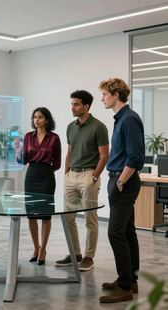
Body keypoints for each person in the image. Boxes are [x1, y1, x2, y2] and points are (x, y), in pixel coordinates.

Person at [98, 78, 145, 303]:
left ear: (116, 95)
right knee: (127, 232)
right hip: (119, 180)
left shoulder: (128, 119)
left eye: (105, 94)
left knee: (115, 232)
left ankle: (125, 287)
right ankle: (130, 280)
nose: (102, 98)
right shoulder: (121, 119)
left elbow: (136, 156)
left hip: (123, 182)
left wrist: (120, 182)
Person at [55, 90, 109, 271]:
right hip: (72, 176)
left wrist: (94, 176)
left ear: (86, 106)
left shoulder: (98, 127)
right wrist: (66, 174)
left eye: (76, 104)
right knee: (67, 218)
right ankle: (75, 253)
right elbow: (69, 153)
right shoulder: (71, 126)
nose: (72, 107)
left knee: (90, 220)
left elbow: (104, 155)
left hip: (88, 175)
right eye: (72, 104)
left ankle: (89, 257)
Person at [14, 107, 61, 265]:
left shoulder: (54, 138)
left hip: (47, 177)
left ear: (47, 119)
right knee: (31, 214)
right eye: (35, 117)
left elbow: (58, 163)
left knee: (46, 214)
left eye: (40, 117)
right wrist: (18, 151)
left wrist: (46, 171)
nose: (36, 120)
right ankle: (36, 247)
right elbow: (23, 161)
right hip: (31, 175)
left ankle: (43, 249)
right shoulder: (28, 136)